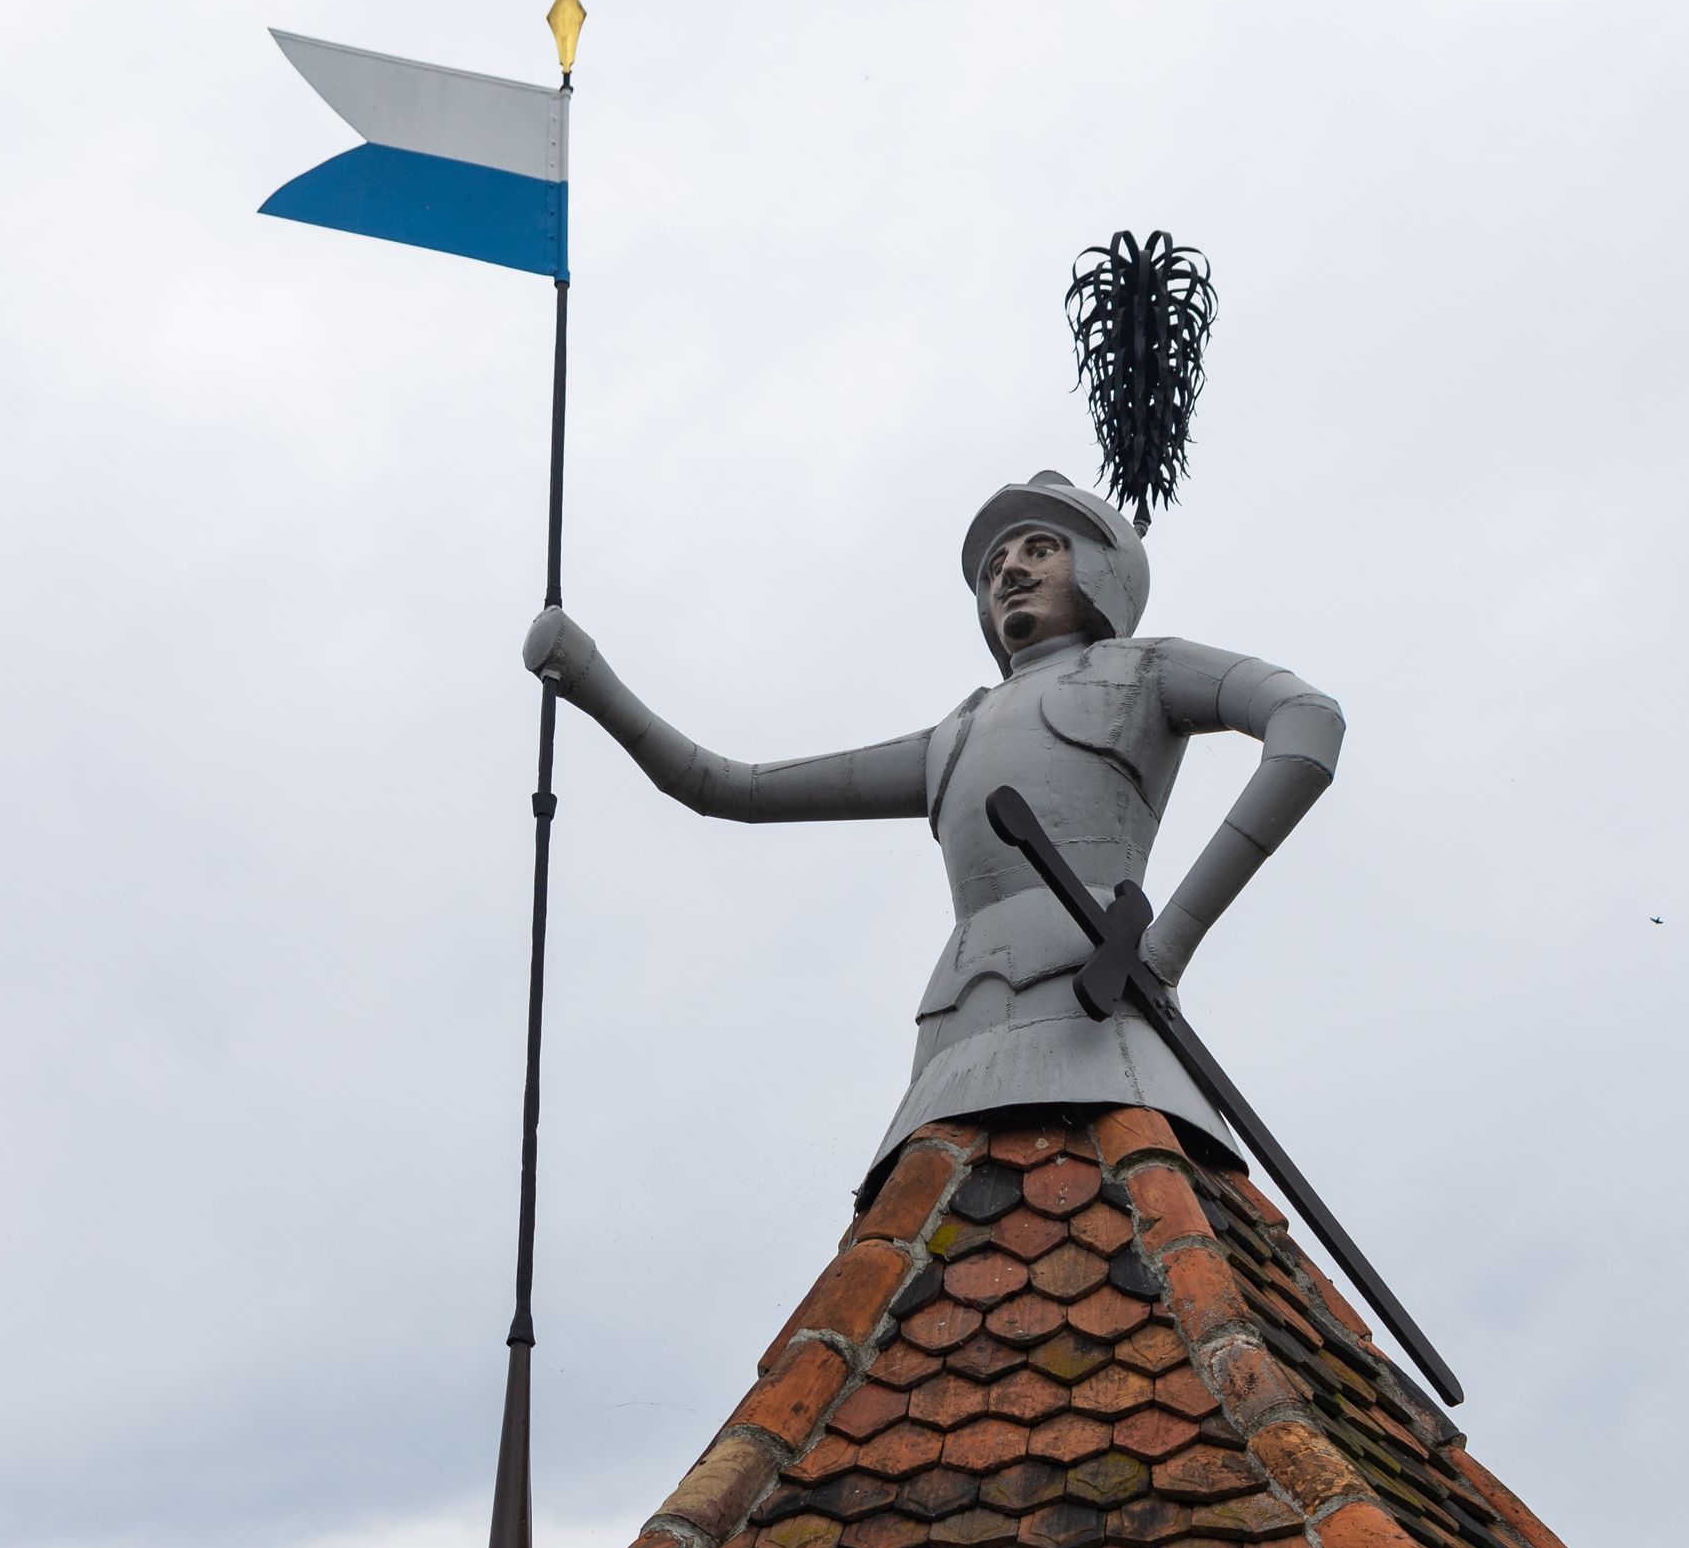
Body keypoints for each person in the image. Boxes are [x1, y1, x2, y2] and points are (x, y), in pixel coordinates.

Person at [524, 471, 1344, 1176]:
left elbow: (1306, 722)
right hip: (956, 1029)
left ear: (1100, 569)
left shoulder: (1145, 669)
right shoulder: (954, 733)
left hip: (1105, 1013)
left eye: (1039, 549)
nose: (1010, 571)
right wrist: (593, 681)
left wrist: (1171, 941)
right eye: (994, 565)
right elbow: (726, 786)